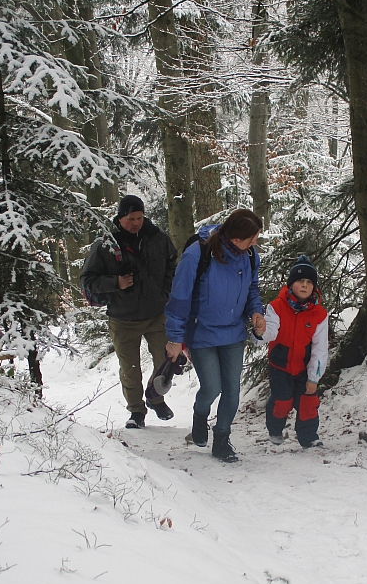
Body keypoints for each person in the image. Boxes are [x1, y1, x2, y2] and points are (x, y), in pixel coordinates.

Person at [165, 210, 265, 462]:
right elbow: (179, 299)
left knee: (232, 389)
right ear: (235, 239)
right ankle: (200, 416)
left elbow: (252, 288)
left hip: (233, 332)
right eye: (251, 239)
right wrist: (175, 338)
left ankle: (222, 439)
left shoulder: (250, 256)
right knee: (212, 387)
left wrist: (256, 312)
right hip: (202, 333)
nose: (255, 244)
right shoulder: (197, 256)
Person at [80, 195, 177, 428]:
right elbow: (87, 280)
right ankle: (136, 412)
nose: (135, 223)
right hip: (123, 318)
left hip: (157, 314)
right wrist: (116, 283)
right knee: (130, 369)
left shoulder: (158, 238)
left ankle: (155, 397)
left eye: (140, 218)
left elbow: (173, 264)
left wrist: (165, 291)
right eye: (130, 218)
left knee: (165, 361)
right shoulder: (106, 244)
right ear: (120, 218)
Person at [252, 255, 328, 448]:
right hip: (281, 365)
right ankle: (275, 429)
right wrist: (261, 332)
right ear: (291, 284)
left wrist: (314, 378)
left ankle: (309, 437)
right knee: (282, 401)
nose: (304, 285)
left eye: (309, 282)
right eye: (300, 281)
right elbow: (271, 330)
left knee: (308, 402)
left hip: (304, 366)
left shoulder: (319, 314)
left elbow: (320, 348)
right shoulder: (277, 306)